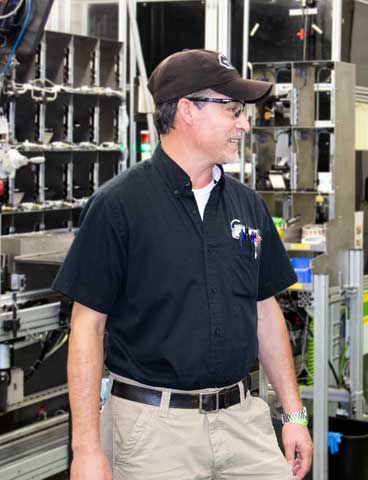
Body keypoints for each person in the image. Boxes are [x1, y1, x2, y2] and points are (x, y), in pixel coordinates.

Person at [54, 49, 312, 480]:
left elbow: (265, 312)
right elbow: (87, 327)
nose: (244, 125)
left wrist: (294, 415)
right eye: (232, 111)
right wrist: (85, 450)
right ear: (188, 111)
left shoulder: (247, 206)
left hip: (242, 419)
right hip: (153, 430)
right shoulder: (119, 206)